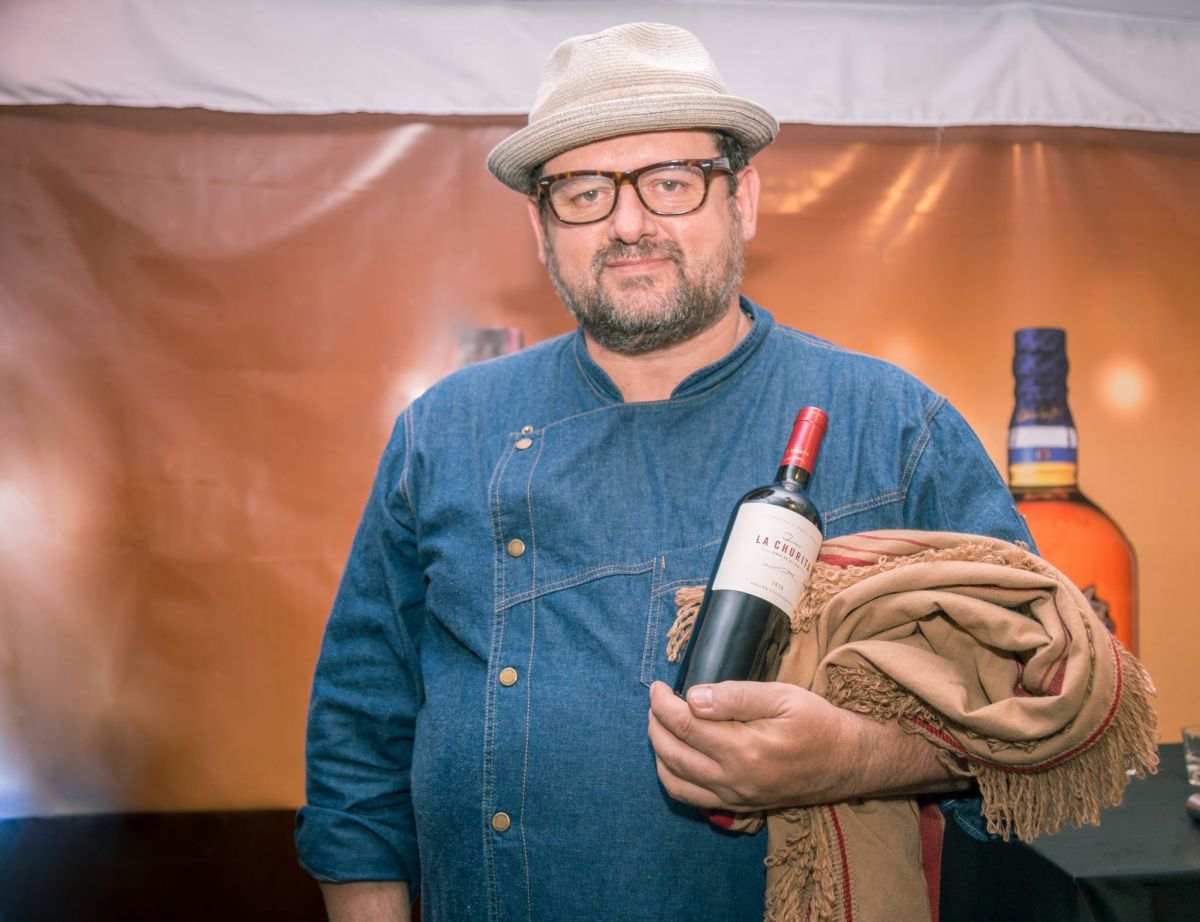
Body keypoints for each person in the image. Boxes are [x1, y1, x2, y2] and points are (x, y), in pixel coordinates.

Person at [296, 22, 1031, 922]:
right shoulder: (445, 431)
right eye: (583, 192)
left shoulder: (894, 426)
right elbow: (358, 741)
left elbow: (1043, 709)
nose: (629, 224)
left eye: (672, 182)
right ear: (540, 227)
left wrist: (852, 758)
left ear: (743, 199)